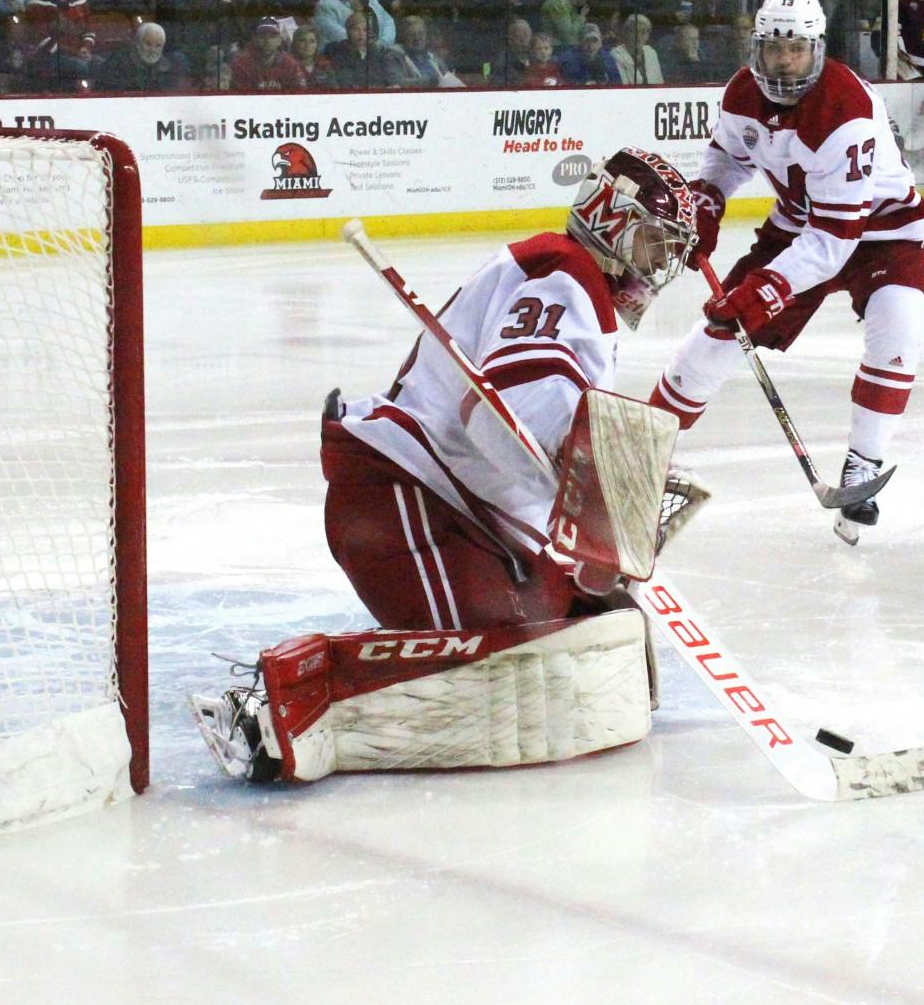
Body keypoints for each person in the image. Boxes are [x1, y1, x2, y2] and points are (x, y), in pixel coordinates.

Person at [190, 150, 701, 785]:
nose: (658, 266)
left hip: (448, 509)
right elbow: (515, 404)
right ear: (610, 218)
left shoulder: (568, 277)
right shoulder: (565, 273)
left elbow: (518, 431)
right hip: (402, 497)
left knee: (581, 623)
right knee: (510, 654)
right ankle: (281, 702)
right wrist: (602, 475)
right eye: (654, 243)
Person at [648, 0, 924, 545]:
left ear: (816, 48)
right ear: (757, 47)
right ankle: (642, 448)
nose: (783, 62)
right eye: (773, 49)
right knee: (717, 335)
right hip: (804, 224)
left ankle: (864, 464)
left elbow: (837, 237)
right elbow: (727, 158)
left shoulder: (844, 109)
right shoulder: (741, 95)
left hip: (884, 230)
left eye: (796, 49)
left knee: (899, 328)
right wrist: (707, 199)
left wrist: (766, 290)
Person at [97, 20, 188, 92]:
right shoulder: (117, 63)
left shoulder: (168, 69)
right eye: (148, 44)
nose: (152, 50)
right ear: (137, 43)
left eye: (158, 45)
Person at [228, 17, 306, 92]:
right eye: (262, 37)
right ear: (255, 39)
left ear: (279, 40)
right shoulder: (241, 63)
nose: (267, 41)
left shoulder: (290, 64)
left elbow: (300, 94)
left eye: (272, 37)